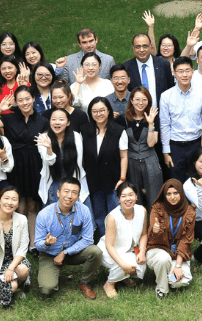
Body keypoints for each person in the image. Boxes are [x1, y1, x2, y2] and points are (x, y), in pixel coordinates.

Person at [0, 85, 48, 247]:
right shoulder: (8, 118)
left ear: (33, 99)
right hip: (15, 166)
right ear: (16, 102)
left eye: (27, 99)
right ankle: (18, 243)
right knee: (19, 206)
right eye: (20, 100)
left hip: (34, 166)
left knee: (32, 205)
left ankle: (32, 243)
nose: (24, 103)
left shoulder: (43, 120)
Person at [33, 177, 102, 299]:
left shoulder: (84, 211)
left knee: (95, 252)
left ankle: (84, 283)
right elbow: (37, 243)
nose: (69, 196)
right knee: (47, 290)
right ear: (58, 193)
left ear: (78, 196)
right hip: (50, 253)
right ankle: (54, 274)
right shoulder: (44, 214)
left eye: (74, 192)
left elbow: (88, 239)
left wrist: (65, 253)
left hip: (72, 251)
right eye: (66, 191)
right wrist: (46, 243)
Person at [80, 97, 128, 238]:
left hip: (114, 180)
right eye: (94, 111)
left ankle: (118, 241)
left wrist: (122, 178)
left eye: (102, 110)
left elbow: (124, 156)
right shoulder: (85, 130)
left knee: (115, 212)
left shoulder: (119, 131)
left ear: (108, 111)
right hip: (93, 180)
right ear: (90, 113)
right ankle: (102, 241)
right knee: (99, 214)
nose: (98, 114)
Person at [159, 57, 202, 183]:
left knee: (198, 180)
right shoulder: (166, 96)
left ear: (193, 71)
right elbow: (165, 124)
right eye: (180, 71)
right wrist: (166, 152)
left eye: (187, 70)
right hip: (176, 145)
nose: (184, 75)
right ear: (174, 73)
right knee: (177, 182)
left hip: (196, 143)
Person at [145, 179, 196, 298]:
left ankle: (164, 276)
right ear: (164, 195)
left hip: (177, 253)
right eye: (168, 194)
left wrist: (178, 266)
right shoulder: (157, 208)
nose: (172, 197)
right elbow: (152, 231)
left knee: (182, 280)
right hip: (159, 250)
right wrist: (154, 230)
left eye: (176, 193)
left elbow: (186, 240)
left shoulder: (189, 212)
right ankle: (162, 289)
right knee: (163, 259)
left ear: (181, 193)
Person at [98, 183, 148, 298]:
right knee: (128, 264)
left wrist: (142, 251)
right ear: (118, 199)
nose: (128, 199)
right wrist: (123, 265)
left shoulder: (142, 211)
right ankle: (110, 284)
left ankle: (122, 277)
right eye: (123, 196)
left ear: (136, 196)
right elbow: (109, 246)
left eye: (131, 195)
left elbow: (144, 234)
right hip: (109, 252)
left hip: (128, 249)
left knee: (142, 264)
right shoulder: (113, 217)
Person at [37, 108, 89, 211]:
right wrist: (49, 148)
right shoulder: (43, 137)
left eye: (61, 119)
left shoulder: (76, 136)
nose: (57, 122)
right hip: (53, 179)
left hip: (73, 177)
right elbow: (49, 162)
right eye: (54, 119)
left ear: (68, 122)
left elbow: (78, 162)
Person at [121, 86, 163, 210]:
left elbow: (151, 143)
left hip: (150, 161)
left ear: (148, 101)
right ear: (131, 101)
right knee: (135, 196)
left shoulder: (154, 118)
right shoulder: (123, 120)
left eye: (144, 100)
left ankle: (156, 225)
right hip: (132, 162)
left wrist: (151, 123)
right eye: (137, 99)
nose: (140, 103)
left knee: (154, 197)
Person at [122, 32, 175, 108]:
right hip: (136, 115)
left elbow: (171, 89)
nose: (142, 50)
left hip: (160, 114)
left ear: (151, 46)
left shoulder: (163, 64)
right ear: (133, 48)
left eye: (145, 46)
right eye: (138, 47)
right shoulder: (126, 68)